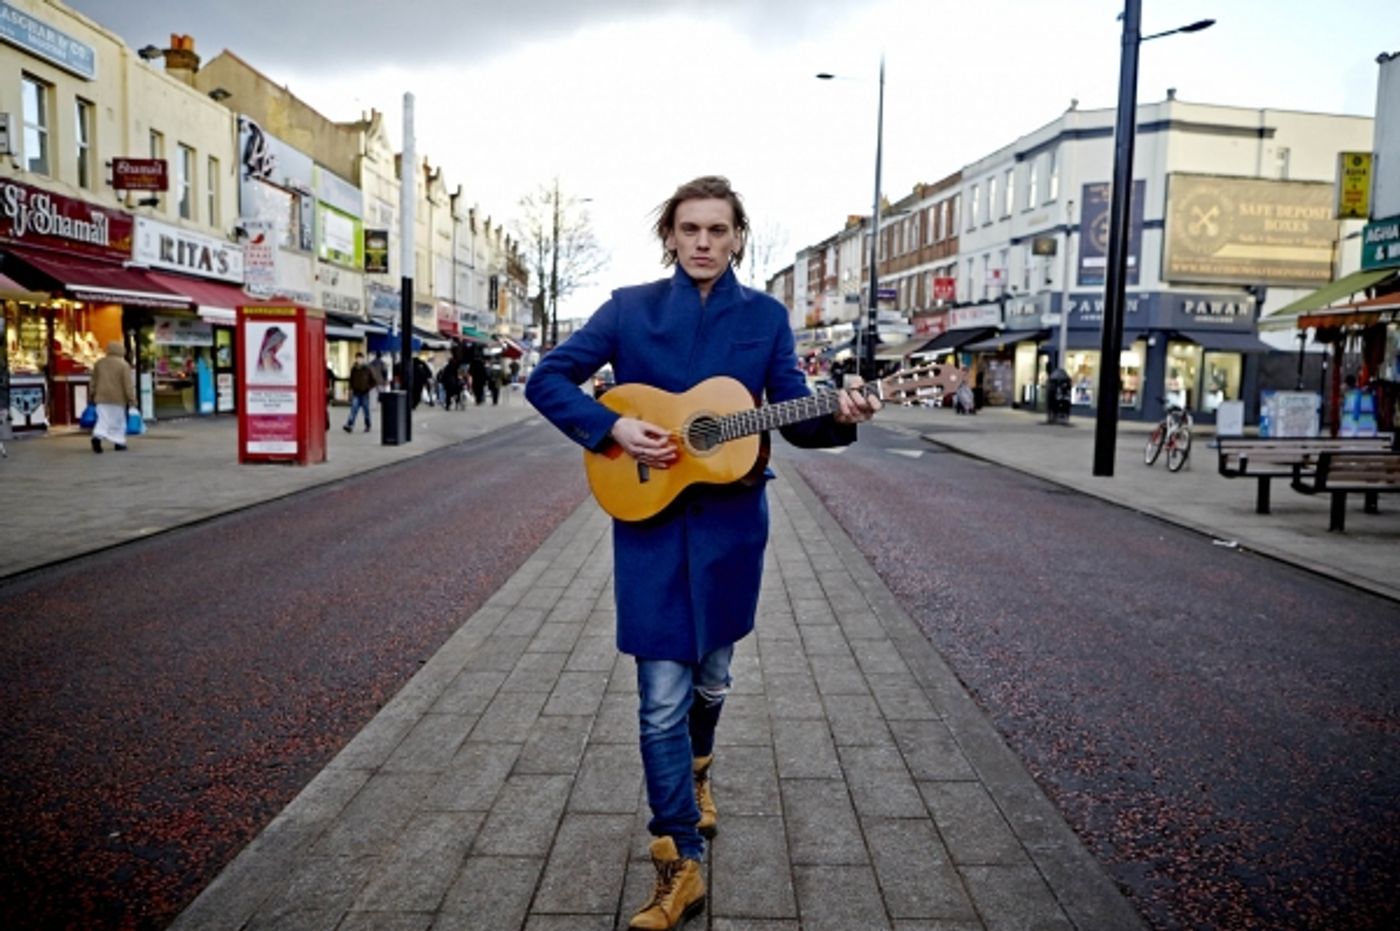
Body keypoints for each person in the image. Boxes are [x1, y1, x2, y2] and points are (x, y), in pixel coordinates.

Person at [526, 175, 879, 931]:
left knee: (712, 679)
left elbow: (793, 413)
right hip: (649, 522)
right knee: (659, 700)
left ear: (737, 237)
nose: (703, 243)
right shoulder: (629, 308)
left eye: (718, 230)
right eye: (690, 229)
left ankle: (699, 769)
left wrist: (841, 414)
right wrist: (610, 428)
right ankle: (679, 861)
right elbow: (547, 377)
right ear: (670, 235)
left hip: (728, 529)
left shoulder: (766, 317)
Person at [90, 340, 137, 453]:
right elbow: (128, 385)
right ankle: (119, 443)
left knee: (103, 419)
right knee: (118, 421)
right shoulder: (123, 365)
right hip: (118, 399)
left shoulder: (99, 363)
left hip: (101, 397)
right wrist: (132, 400)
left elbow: (93, 382)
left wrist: (92, 394)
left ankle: (97, 436)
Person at [344, 352, 375, 433]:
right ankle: (349, 425)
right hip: (356, 393)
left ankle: (368, 425)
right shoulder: (353, 369)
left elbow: (373, 381)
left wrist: (368, 387)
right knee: (353, 409)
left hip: (365, 393)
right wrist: (350, 389)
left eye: (360, 358)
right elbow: (351, 380)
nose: (359, 360)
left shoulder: (367, 369)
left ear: (363, 359)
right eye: (358, 358)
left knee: (366, 411)